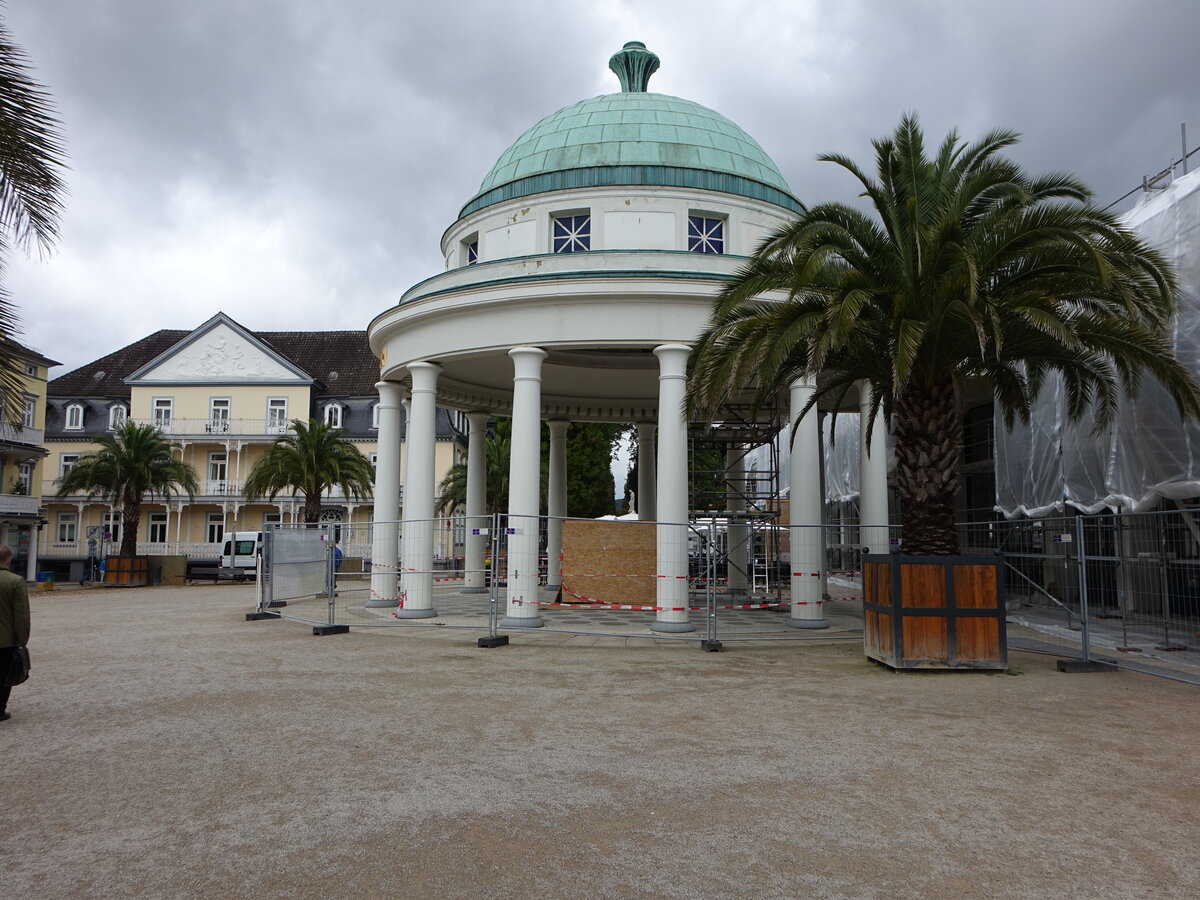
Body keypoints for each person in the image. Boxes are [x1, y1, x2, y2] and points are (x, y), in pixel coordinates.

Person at [0, 544, 31, 722]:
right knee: (4, 676)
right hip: (5, 640)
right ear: (9, 559)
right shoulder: (15, 581)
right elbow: (21, 615)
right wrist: (22, 640)